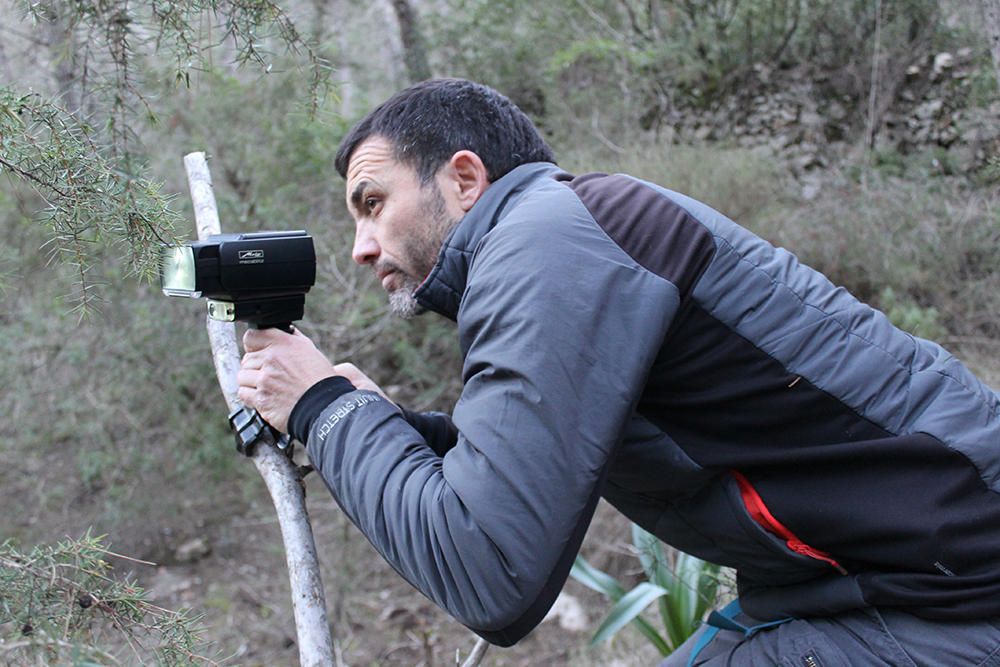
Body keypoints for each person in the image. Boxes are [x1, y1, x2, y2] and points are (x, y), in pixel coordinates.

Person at [236, 78, 1000, 665]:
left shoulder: (548, 240)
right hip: (871, 585)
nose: (360, 247)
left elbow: (490, 573)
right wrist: (375, 420)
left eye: (373, 203)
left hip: (951, 595)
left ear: (465, 179)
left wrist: (327, 407)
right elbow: (508, 482)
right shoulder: (563, 235)